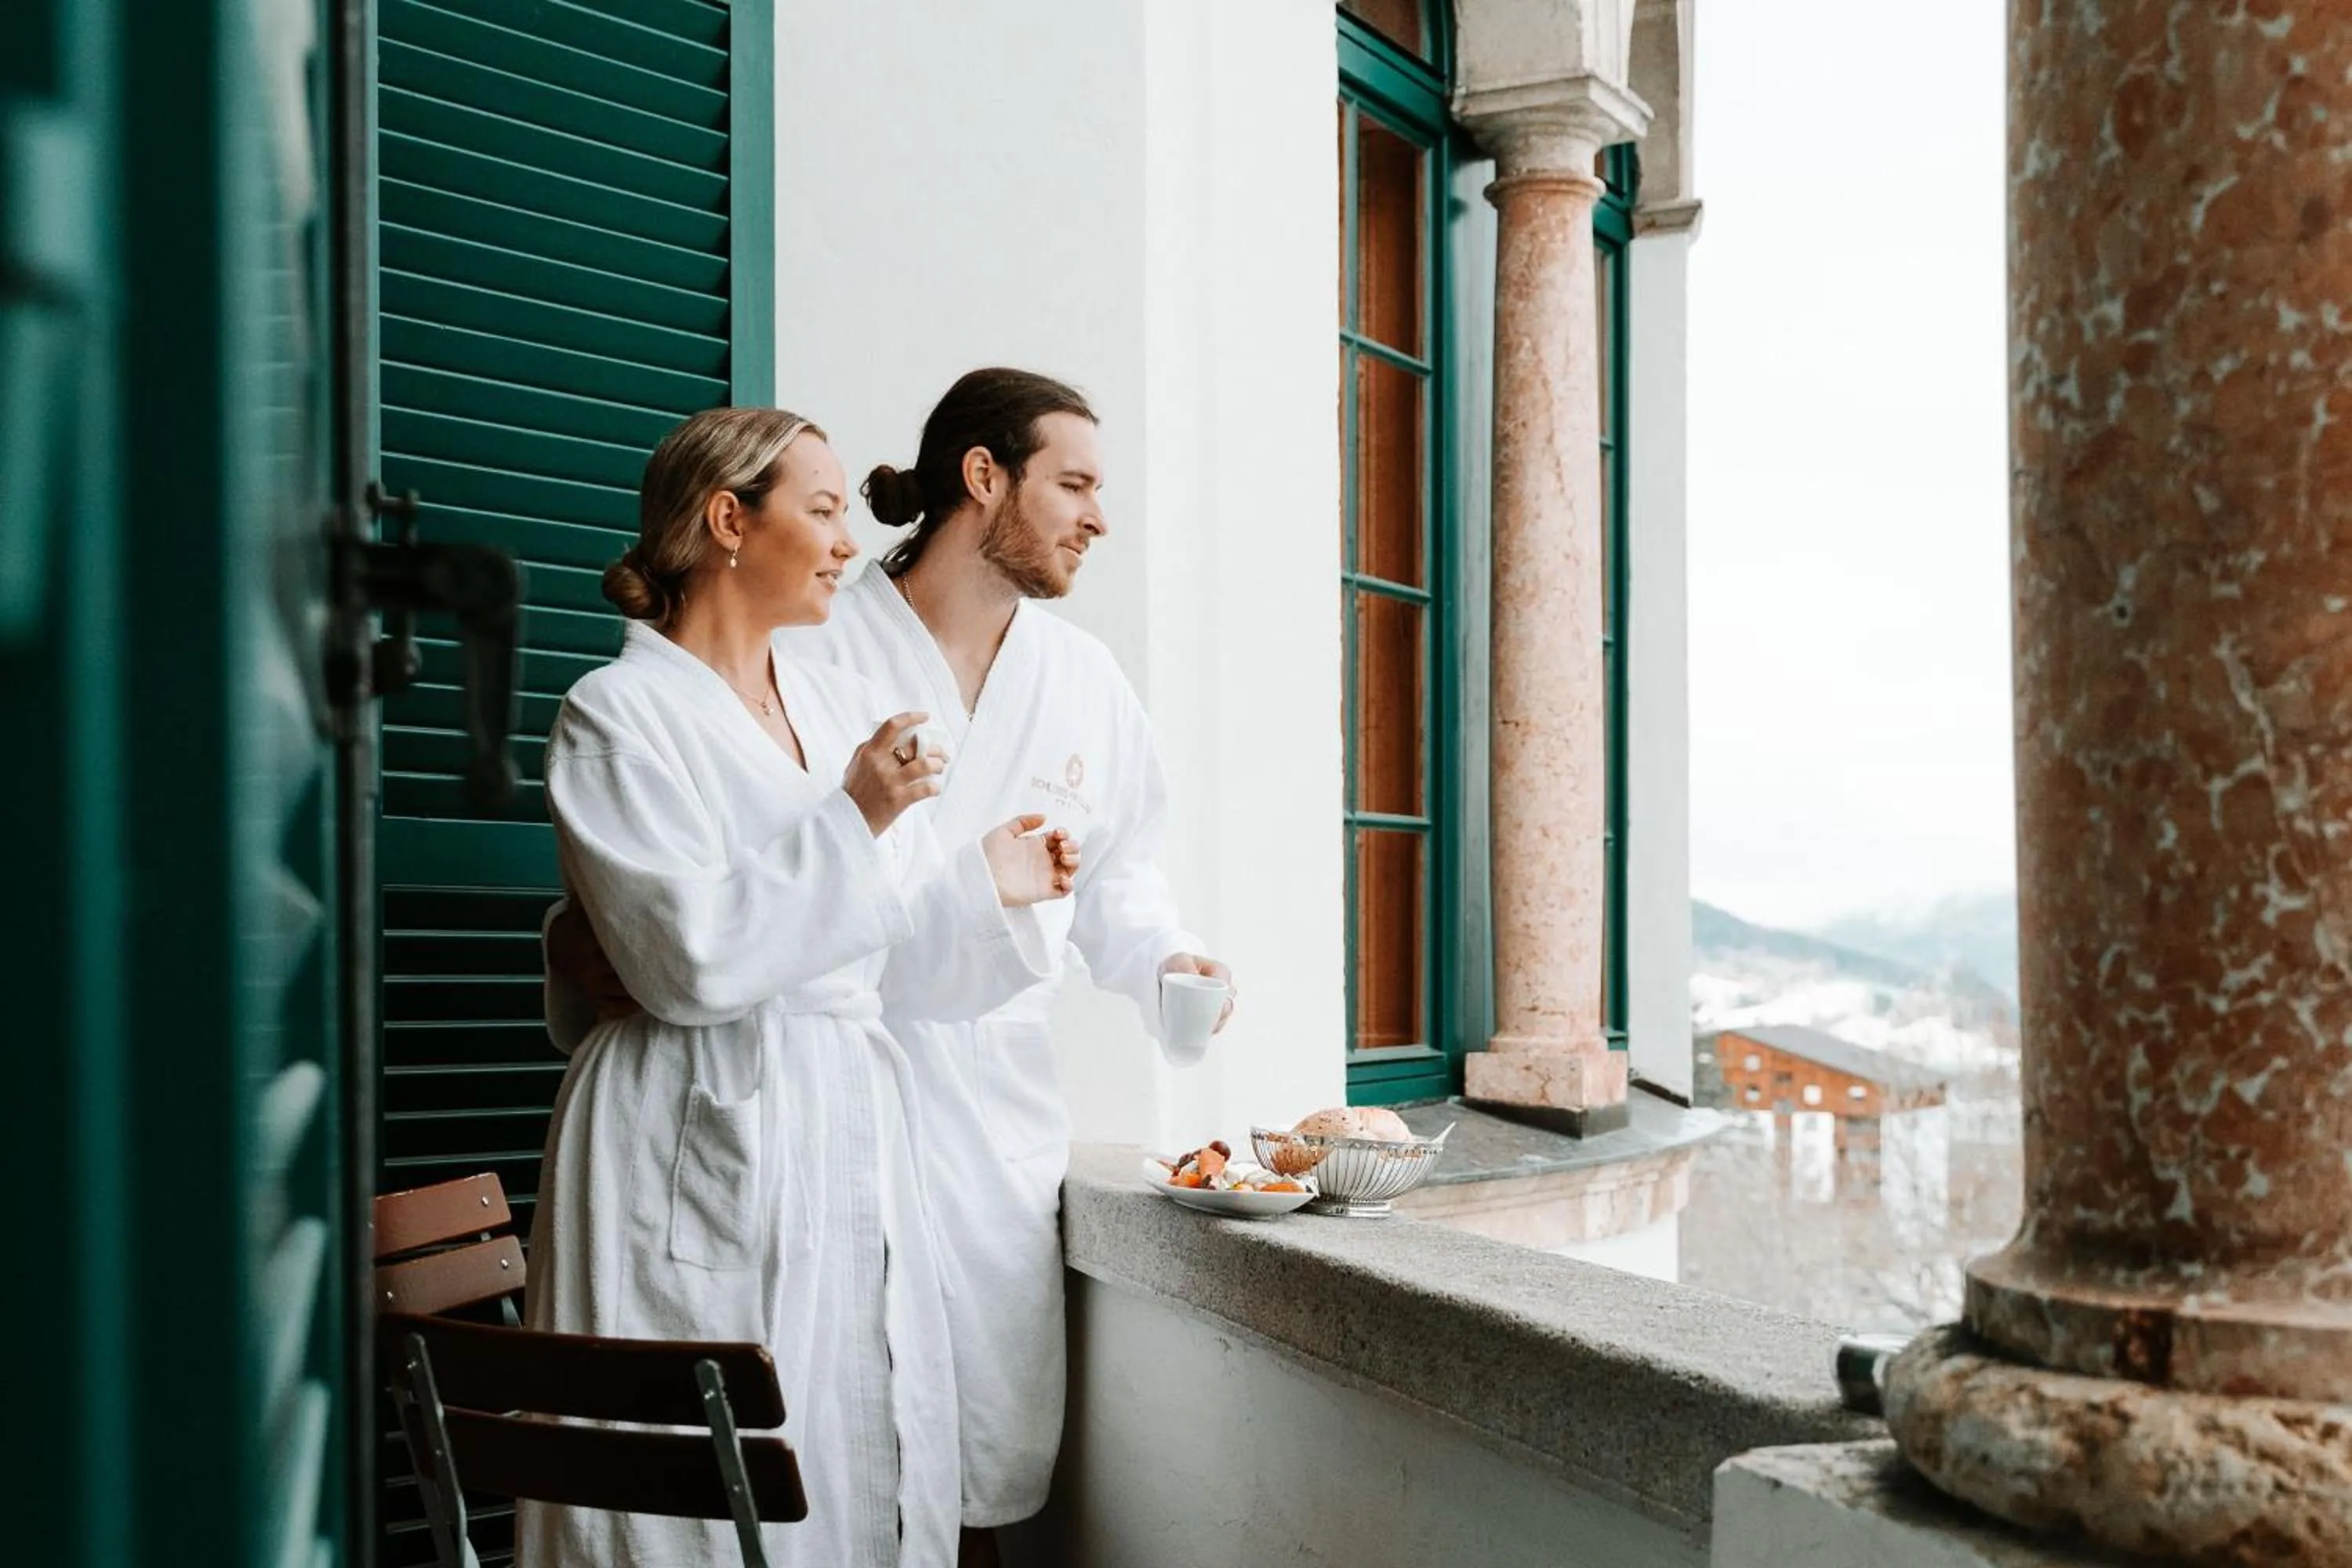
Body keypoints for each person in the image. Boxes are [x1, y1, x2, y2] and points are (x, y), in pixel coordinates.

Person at [547, 369, 1233, 1564]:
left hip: (894, 1109)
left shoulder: (880, 698)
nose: (844, 541)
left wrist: (1035, 902)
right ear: (729, 520)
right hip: (735, 1104)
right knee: (702, 1494)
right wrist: (852, 825)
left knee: (865, 1445)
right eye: (1073, 483)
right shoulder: (693, 692)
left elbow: (963, 900)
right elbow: (694, 933)